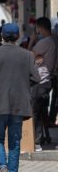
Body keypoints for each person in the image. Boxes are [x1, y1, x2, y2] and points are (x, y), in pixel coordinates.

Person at [0, 23, 40, 172]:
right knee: (14, 142)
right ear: (18, 37)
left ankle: (2, 166)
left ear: (2, 37)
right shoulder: (27, 55)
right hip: (19, 105)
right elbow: (36, 79)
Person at [27, 17, 57, 151]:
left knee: (35, 112)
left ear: (39, 28)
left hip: (40, 81)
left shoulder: (45, 41)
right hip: (48, 80)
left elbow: (28, 55)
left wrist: (32, 40)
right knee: (42, 111)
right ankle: (45, 137)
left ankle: (36, 142)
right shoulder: (54, 39)